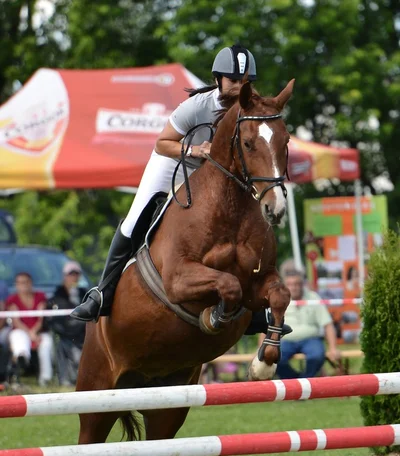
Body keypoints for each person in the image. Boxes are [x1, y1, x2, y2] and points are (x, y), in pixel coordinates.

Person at [72, 44, 257, 322]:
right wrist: (197, 151)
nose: (238, 87)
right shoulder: (197, 106)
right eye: (233, 80)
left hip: (214, 176)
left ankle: (256, 307)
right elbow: (162, 143)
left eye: (245, 82)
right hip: (175, 164)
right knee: (135, 221)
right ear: (218, 79)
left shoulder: (252, 107)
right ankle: (102, 293)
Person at [275, 270, 340, 379]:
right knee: (274, 357)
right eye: (290, 284)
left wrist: (333, 348)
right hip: (286, 340)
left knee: (317, 356)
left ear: (302, 284)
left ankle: (306, 381)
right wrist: (260, 348)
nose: (293, 287)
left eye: (296, 284)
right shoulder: (278, 300)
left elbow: (328, 325)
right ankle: (296, 383)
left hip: (311, 339)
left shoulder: (313, 298)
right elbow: (269, 326)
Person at [6, 272, 53, 386]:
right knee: (19, 339)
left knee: (46, 343)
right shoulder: (12, 300)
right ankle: (21, 365)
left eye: (26, 282)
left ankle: (45, 379)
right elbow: (16, 321)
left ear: (31, 283)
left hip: (38, 331)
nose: (24, 285)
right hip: (21, 330)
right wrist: (30, 334)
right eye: (20, 282)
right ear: (16, 285)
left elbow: (41, 318)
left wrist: (34, 333)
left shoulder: (40, 296)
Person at [48, 261, 88, 386]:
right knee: (62, 345)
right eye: (71, 274)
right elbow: (56, 320)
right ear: (65, 276)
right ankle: (65, 379)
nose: (74, 277)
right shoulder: (57, 295)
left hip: (83, 333)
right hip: (65, 334)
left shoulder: (84, 292)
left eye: (76, 274)